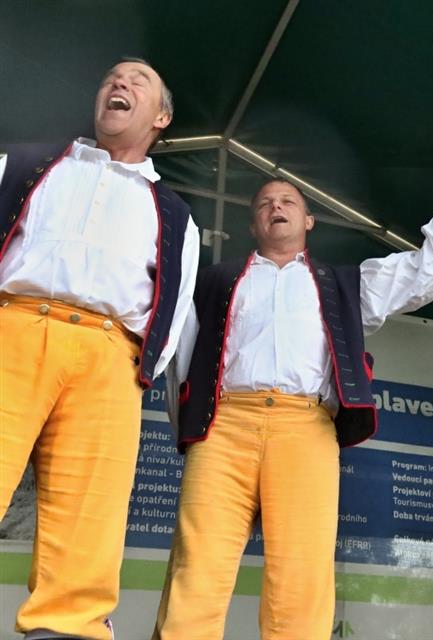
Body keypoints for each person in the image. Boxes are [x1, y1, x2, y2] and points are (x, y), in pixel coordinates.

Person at [152, 130, 433, 639]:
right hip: (224, 426)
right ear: (253, 223)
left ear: (309, 220)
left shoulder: (346, 283)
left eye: (288, 201)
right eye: (265, 203)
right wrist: (196, 430)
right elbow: (183, 361)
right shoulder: (214, 281)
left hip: (305, 427)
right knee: (197, 565)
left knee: (301, 573)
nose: (276, 207)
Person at [0, 59, 199, 640]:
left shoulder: (174, 213)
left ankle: (69, 629)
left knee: (89, 517)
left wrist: (138, 369)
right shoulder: (27, 163)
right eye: (113, 77)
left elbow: (175, 299)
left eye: (139, 81)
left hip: (112, 355)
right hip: (15, 328)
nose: (120, 83)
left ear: (161, 117)